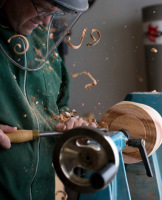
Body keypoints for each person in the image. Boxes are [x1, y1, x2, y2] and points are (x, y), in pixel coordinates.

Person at [0, 0, 96, 199]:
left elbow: (59, 107)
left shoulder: (43, 46)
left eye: (54, 13)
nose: (46, 20)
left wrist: (70, 125)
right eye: (43, 9)